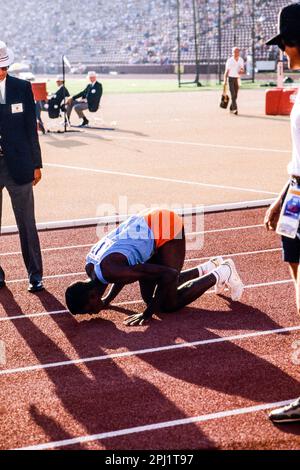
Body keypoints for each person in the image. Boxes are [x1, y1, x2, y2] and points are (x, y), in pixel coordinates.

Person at [65, 208, 244, 325]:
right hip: (147, 222)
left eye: (88, 311)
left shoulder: (111, 271)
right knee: (151, 296)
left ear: (93, 295)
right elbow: (120, 273)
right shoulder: (91, 267)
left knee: (168, 303)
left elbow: (170, 274)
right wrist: (108, 301)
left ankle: (223, 271)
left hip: (165, 226)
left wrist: (147, 314)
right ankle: (208, 267)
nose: (90, 315)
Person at [264, 2, 300, 424]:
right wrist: (282, 196)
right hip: (295, 197)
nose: (283, 52)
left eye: (286, 44)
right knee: (296, 285)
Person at [0, 41, 43, 292]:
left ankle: (35, 275)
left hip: (20, 167)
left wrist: (37, 164)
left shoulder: (22, 88)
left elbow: (31, 129)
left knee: (27, 224)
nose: (1, 72)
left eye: (4, 67)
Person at [224, 47, 245, 115]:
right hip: (230, 79)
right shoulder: (230, 60)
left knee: (235, 95)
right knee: (233, 94)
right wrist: (225, 81)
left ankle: (231, 107)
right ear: (232, 53)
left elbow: (242, 69)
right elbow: (226, 71)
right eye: (235, 52)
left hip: (237, 79)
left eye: (237, 51)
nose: (236, 53)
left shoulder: (241, 60)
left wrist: (241, 71)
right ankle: (235, 109)